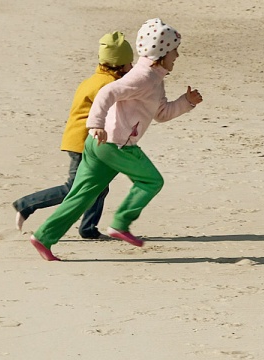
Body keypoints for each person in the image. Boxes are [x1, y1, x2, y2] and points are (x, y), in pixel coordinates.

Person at [29, 18, 203, 261]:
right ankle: (120, 223)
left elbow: (161, 114)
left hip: (98, 145)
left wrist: (187, 102)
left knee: (81, 195)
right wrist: (96, 124)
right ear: (161, 52)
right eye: (174, 50)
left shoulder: (153, 77)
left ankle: (44, 236)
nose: (177, 55)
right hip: (115, 145)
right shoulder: (143, 77)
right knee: (151, 181)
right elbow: (107, 92)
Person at [12, 31, 134, 239]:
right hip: (83, 143)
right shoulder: (107, 86)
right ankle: (26, 205)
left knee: (99, 187)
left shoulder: (94, 80)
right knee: (74, 189)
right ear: (119, 65)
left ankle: (88, 229)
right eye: (129, 64)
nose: (131, 68)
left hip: (82, 141)